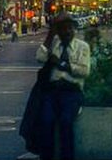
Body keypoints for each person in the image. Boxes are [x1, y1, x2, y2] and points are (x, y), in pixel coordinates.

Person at [35, 12, 91, 160]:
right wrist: (49, 36)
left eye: (69, 28)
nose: (66, 32)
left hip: (71, 91)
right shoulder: (54, 44)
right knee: (46, 121)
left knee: (66, 122)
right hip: (52, 92)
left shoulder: (82, 47)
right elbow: (40, 57)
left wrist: (61, 64)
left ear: (74, 29)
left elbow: (84, 71)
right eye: (62, 29)